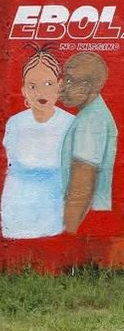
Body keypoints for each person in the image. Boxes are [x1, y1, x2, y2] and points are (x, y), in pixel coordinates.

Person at [0, 46, 73, 238]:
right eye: (33, 86)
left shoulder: (70, 124)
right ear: (24, 90)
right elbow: (10, 160)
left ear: (60, 86)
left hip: (54, 212)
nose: (41, 92)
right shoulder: (15, 123)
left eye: (48, 84)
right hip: (16, 208)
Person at [59, 52, 117, 234]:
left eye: (69, 81)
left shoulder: (91, 121)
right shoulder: (94, 114)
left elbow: (81, 187)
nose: (62, 87)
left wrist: (67, 235)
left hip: (84, 221)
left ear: (86, 86)